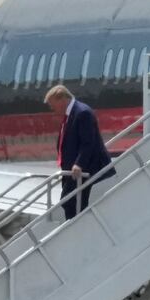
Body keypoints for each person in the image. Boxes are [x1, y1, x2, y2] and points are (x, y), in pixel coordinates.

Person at [44, 85, 114, 220]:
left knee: (70, 202)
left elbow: (88, 142)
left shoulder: (82, 113)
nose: (53, 109)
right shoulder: (71, 114)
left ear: (62, 99)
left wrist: (79, 164)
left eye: (53, 105)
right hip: (73, 172)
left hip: (84, 170)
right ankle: (74, 229)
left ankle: (75, 231)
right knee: (69, 202)